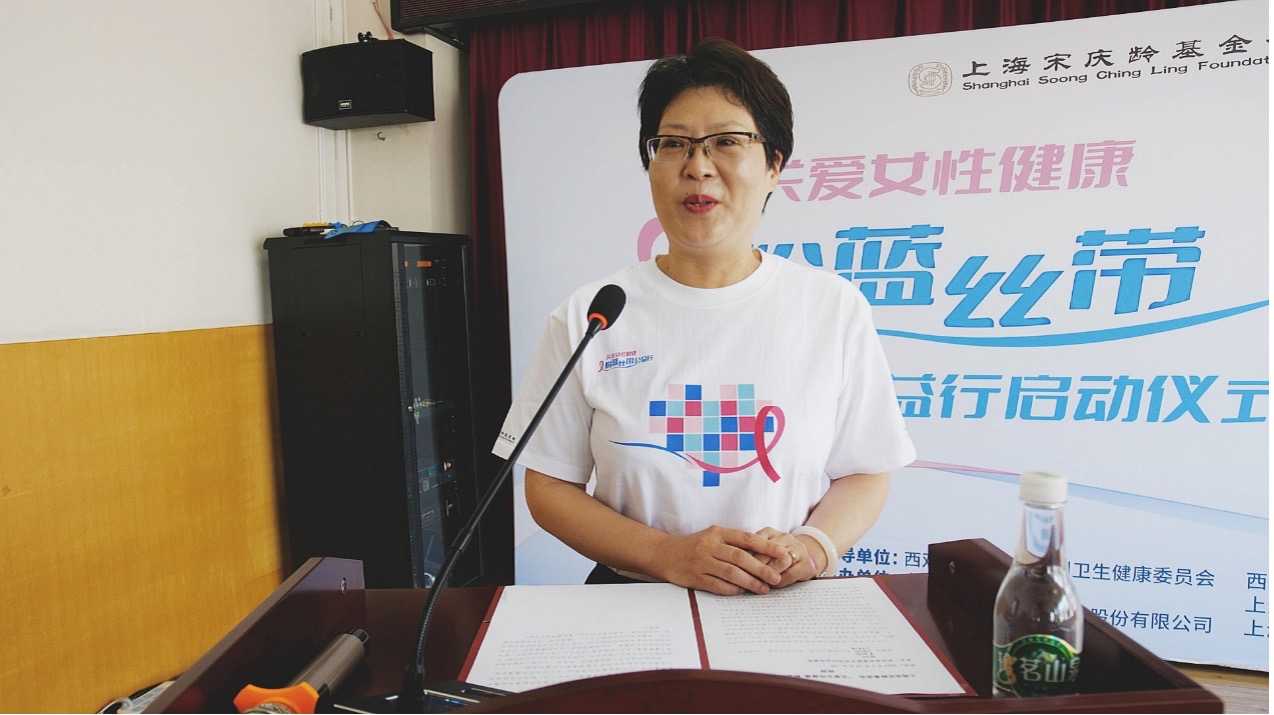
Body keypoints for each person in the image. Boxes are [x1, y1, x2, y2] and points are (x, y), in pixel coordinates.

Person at [493, 37, 915, 597]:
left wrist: (814, 547)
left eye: (726, 142)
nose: (697, 167)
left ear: (774, 165)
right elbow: (548, 488)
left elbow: (866, 469)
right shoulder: (591, 314)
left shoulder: (831, 306)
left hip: (781, 596)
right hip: (632, 596)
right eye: (673, 144)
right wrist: (666, 555)